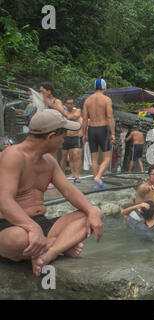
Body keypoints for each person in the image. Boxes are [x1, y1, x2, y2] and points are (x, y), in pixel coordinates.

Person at [0, 109, 104, 276]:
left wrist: (91, 211)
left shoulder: (49, 161)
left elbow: (69, 191)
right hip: (11, 226)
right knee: (19, 239)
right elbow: (5, 201)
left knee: (93, 213)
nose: (64, 141)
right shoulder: (12, 156)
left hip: (42, 223)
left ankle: (50, 252)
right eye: (62, 136)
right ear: (51, 137)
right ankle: (61, 244)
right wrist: (32, 228)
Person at [82, 79, 115, 189]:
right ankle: (98, 178)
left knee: (94, 159)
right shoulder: (106, 99)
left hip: (91, 130)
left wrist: (84, 133)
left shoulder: (87, 100)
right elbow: (110, 117)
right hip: (103, 129)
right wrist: (113, 133)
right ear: (104, 88)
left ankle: (96, 183)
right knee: (107, 158)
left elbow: (85, 119)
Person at [60, 98, 83, 183]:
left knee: (76, 156)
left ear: (73, 104)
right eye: (68, 103)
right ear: (65, 104)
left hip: (75, 136)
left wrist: (66, 118)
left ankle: (77, 176)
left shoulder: (78, 111)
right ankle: (61, 175)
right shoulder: (64, 112)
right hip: (66, 137)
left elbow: (74, 117)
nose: (69, 105)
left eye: (71, 103)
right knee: (64, 157)